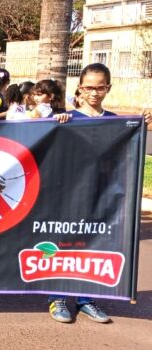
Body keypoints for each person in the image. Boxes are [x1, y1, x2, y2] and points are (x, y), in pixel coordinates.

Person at [47, 62, 152, 324]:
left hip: (101, 195)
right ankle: (57, 296)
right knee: (64, 244)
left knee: (94, 244)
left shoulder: (115, 121)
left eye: (100, 87)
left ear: (108, 88)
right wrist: (56, 124)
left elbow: (127, 153)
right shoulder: (67, 119)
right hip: (67, 195)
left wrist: (141, 126)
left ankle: (86, 298)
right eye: (89, 87)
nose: (94, 93)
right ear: (80, 88)